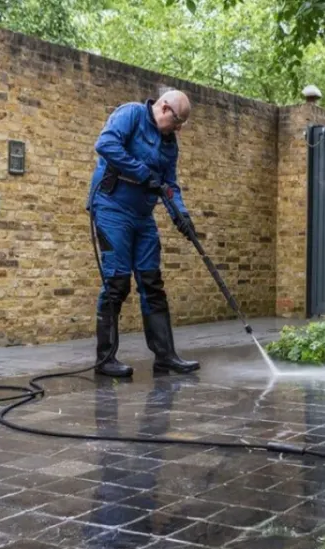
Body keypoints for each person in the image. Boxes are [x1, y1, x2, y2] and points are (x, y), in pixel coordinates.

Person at [86, 89, 201, 377]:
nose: (177, 129)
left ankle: (165, 355)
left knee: (152, 282)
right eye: (176, 122)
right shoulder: (131, 114)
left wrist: (182, 215)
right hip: (112, 208)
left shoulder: (169, 143)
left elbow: (170, 184)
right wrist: (142, 173)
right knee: (118, 280)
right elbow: (106, 145)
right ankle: (105, 360)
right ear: (163, 108)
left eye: (181, 126)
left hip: (142, 215)